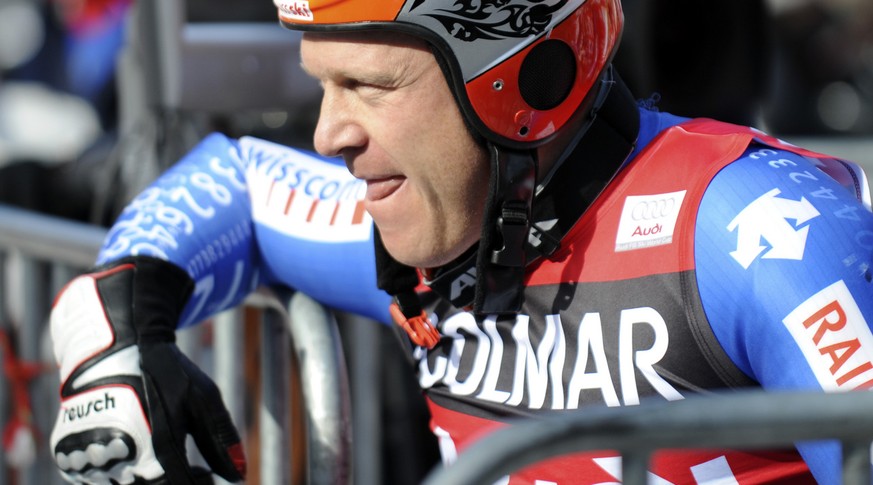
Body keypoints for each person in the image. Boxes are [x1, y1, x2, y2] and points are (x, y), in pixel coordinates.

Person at [47, 0, 873, 483]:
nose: (330, 132)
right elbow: (235, 186)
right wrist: (112, 333)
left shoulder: (752, 228)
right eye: (324, 85)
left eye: (370, 85)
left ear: (522, 79)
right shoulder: (429, 222)